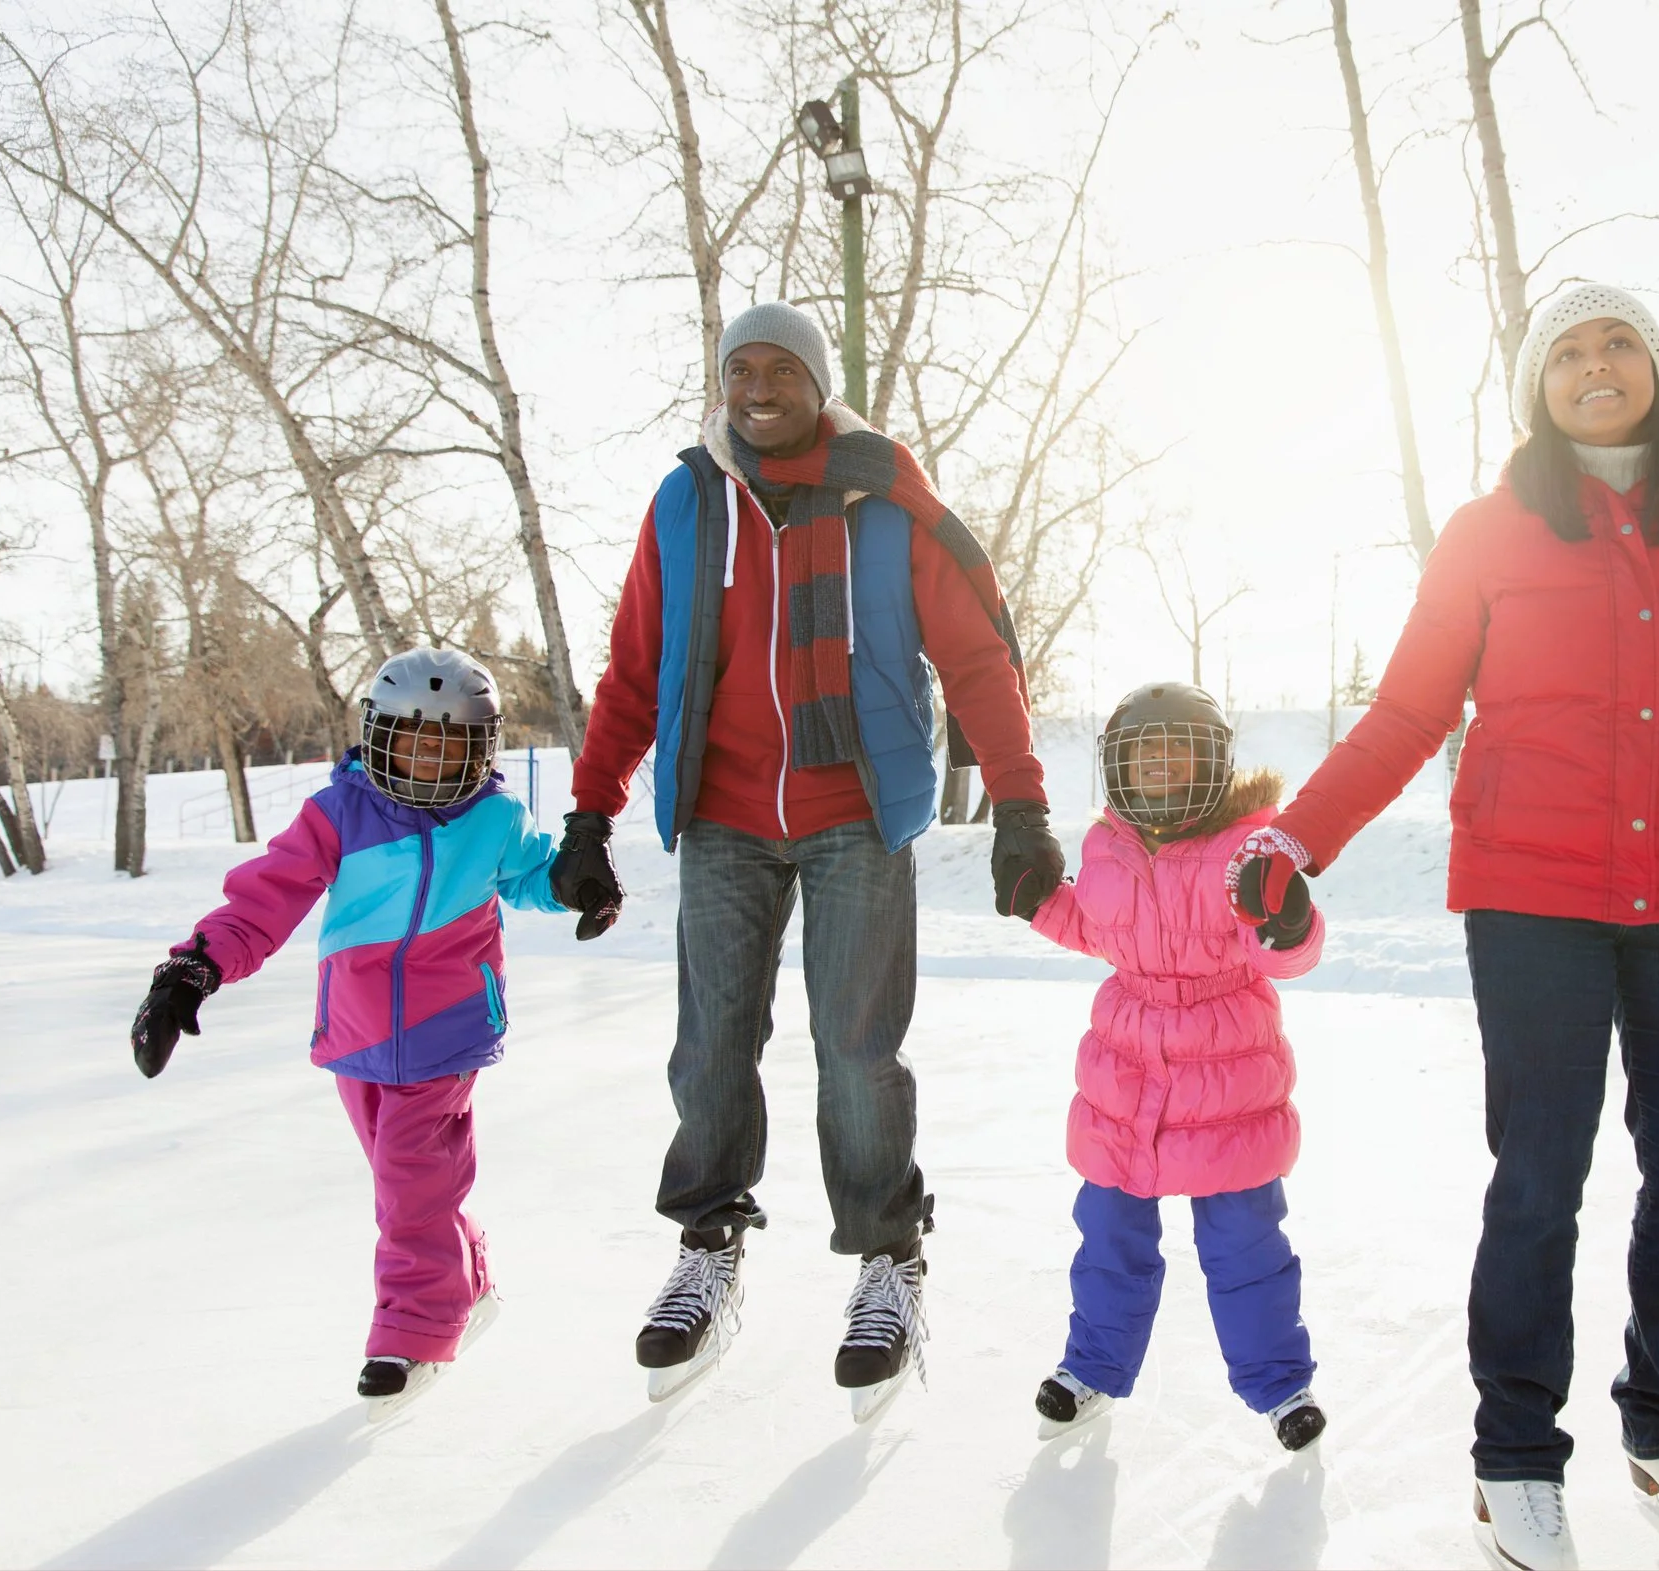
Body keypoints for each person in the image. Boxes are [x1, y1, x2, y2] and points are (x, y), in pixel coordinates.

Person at [1226, 286, 1659, 1567]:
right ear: (1535, 389)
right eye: (1565, 351)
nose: (1593, 364)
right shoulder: (1488, 532)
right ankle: (1514, 1455)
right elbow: (1408, 711)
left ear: (1654, 367)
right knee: (1538, 1176)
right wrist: (1297, 836)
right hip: (1533, 898)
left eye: (1616, 343)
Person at [554, 301, 1064, 1413]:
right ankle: (707, 1241)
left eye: (781, 368)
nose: (758, 388)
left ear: (818, 384)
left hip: (855, 809)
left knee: (857, 1049)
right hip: (724, 813)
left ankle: (887, 1258)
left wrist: (1019, 804)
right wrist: (589, 815)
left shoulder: (884, 499)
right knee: (711, 1044)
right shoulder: (689, 501)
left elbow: (977, 658)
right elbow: (635, 666)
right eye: (741, 369)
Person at [127, 649, 564, 1414]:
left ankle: (414, 1332)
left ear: (478, 747)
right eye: (412, 739)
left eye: (447, 743)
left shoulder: (495, 816)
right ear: (379, 738)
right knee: (409, 1183)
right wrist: (194, 968)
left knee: (409, 1180)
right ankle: (467, 1274)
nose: (427, 757)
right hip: (357, 1033)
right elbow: (265, 900)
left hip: (447, 1028)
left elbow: (533, 877)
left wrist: (577, 881)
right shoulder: (338, 813)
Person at [1020, 682, 1328, 1453]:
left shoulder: (1248, 846)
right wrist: (1038, 899)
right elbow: (1100, 931)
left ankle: (1281, 1385)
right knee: (1107, 1236)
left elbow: (1282, 951)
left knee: (1245, 1246)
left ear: (1212, 762)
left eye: (1176, 751)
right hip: (1125, 1078)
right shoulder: (1108, 843)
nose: (1158, 764)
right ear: (1117, 766)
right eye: (1143, 752)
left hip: (1228, 1079)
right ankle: (1092, 1368)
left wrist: (1291, 923)